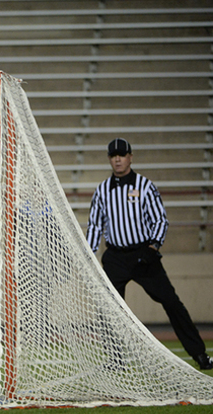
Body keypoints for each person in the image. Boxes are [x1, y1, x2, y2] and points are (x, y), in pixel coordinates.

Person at [86, 138, 212, 370]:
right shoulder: (103, 190)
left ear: (130, 157)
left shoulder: (145, 185)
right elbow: (94, 224)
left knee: (172, 303)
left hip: (143, 254)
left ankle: (200, 355)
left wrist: (153, 247)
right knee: (109, 308)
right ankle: (116, 359)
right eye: (113, 155)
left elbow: (159, 219)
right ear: (109, 159)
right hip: (115, 256)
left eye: (122, 155)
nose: (117, 159)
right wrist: (89, 254)